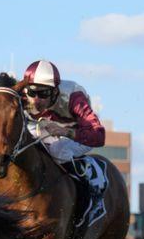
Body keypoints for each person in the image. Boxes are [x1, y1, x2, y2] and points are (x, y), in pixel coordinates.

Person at [21, 60, 108, 214]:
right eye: (32, 92)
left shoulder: (74, 97)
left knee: (58, 150)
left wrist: (65, 132)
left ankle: (87, 191)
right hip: (43, 129)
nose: (36, 100)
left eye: (43, 93)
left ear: (55, 91)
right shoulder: (22, 95)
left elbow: (99, 136)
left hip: (78, 134)